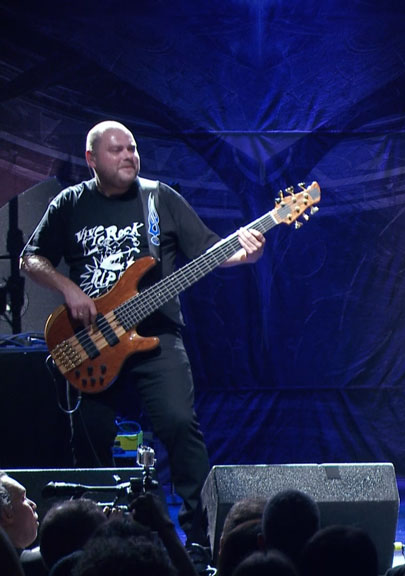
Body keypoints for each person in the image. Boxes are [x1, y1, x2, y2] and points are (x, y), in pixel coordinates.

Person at [19, 120, 266, 544]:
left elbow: (205, 248)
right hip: (92, 341)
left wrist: (241, 255)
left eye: (132, 148)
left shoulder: (158, 197)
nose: (129, 156)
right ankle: (94, 535)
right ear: (91, 158)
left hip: (156, 337)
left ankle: (200, 538)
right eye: (116, 150)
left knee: (179, 424)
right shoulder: (70, 203)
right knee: (90, 434)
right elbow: (31, 259)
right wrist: (69, 289)